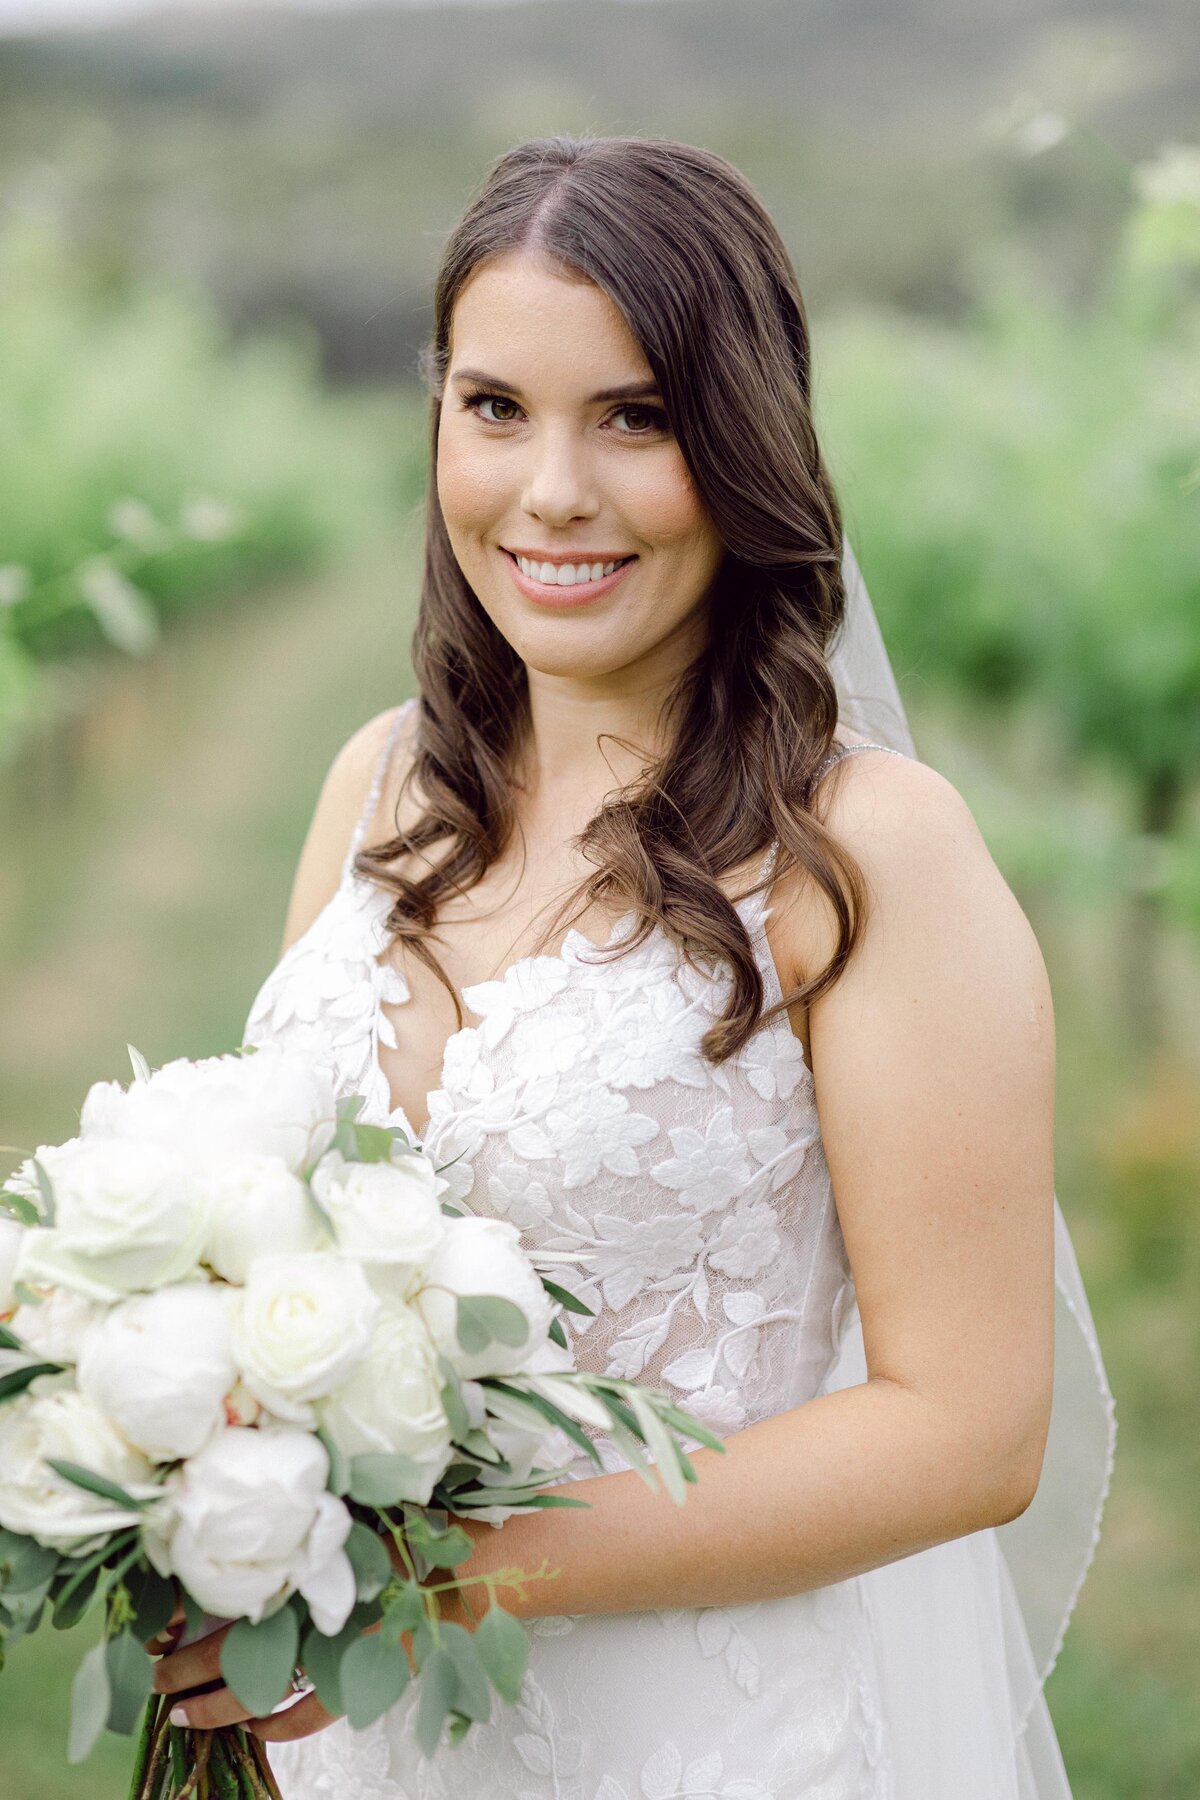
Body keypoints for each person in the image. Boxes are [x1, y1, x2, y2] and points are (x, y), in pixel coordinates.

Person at [151, 134, 1115, 1798]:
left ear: (743, 445)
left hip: (703, 1736)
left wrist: (425, 1582)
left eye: (639, 418)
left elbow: (969, 1429)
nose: (552, 495)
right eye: (496, 406)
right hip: (372, 1746)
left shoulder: (871, 848)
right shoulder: (375, 783)